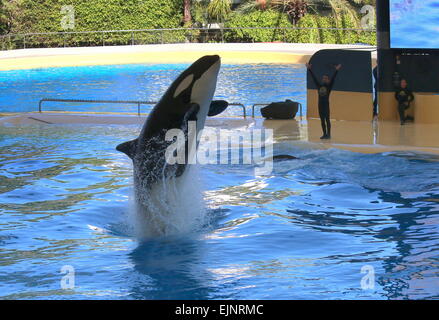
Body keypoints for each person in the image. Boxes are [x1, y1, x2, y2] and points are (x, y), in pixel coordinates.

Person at [306, 62, 342, 139]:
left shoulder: (329, 86)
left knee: (327, 120)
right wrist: (309, 69)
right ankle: (324, 134)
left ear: (328, 80)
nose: (324, 79)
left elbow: (333, 78)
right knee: (322, 120)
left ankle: (329, 134)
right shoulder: (319, 86)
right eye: (323, 78)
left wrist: (336, 70)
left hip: (326, 105)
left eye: (326, 78)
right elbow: (314, 78)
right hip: (320, 105)